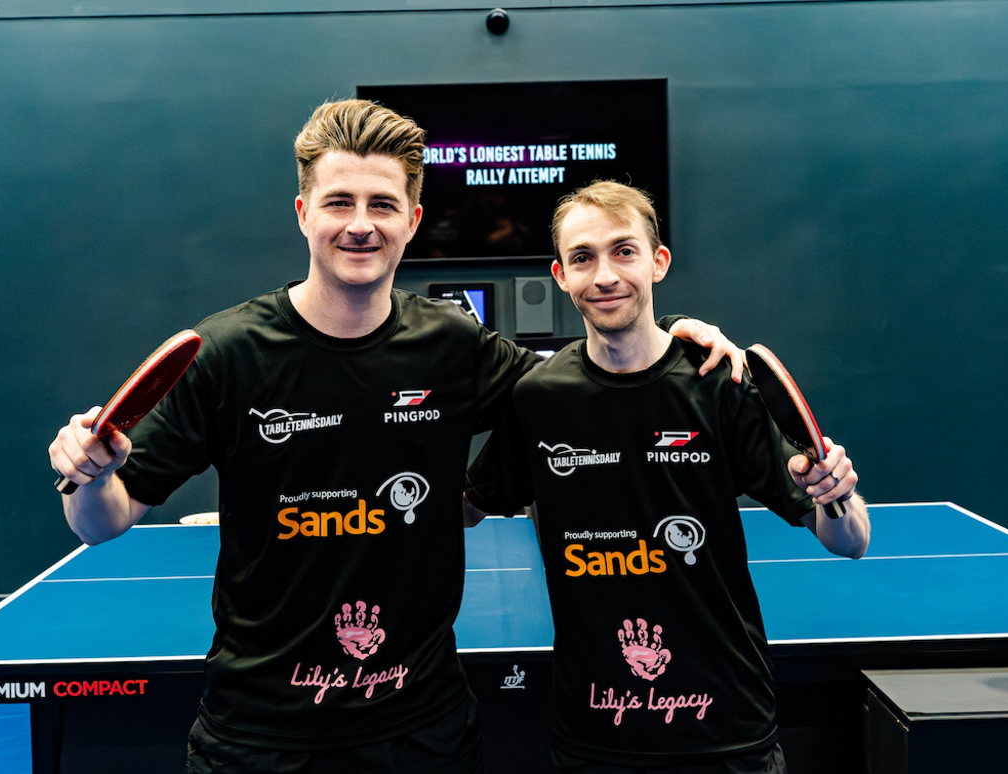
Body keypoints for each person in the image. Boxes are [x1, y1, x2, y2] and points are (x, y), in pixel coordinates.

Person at [47, 101, 745, 774]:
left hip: (421, 733)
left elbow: (585, 388)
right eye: (338, 202)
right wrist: (91, 475)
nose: (360, 225)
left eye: (381, 205)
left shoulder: (450, 345)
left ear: (411, 221)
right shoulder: (229, 354)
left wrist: (674, 343)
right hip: (259, 735)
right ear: (303, 214)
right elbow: (101, 524)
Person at [463, 181, 871, 774]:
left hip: (725, 728)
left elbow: (850, 540)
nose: (605, 275)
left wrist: (838, 493)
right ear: (560, 275)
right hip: (597, 733)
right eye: (583, 257)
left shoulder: (717, 384)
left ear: (658, 262)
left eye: (624, 251)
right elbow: (461, 508)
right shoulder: (539, 400)